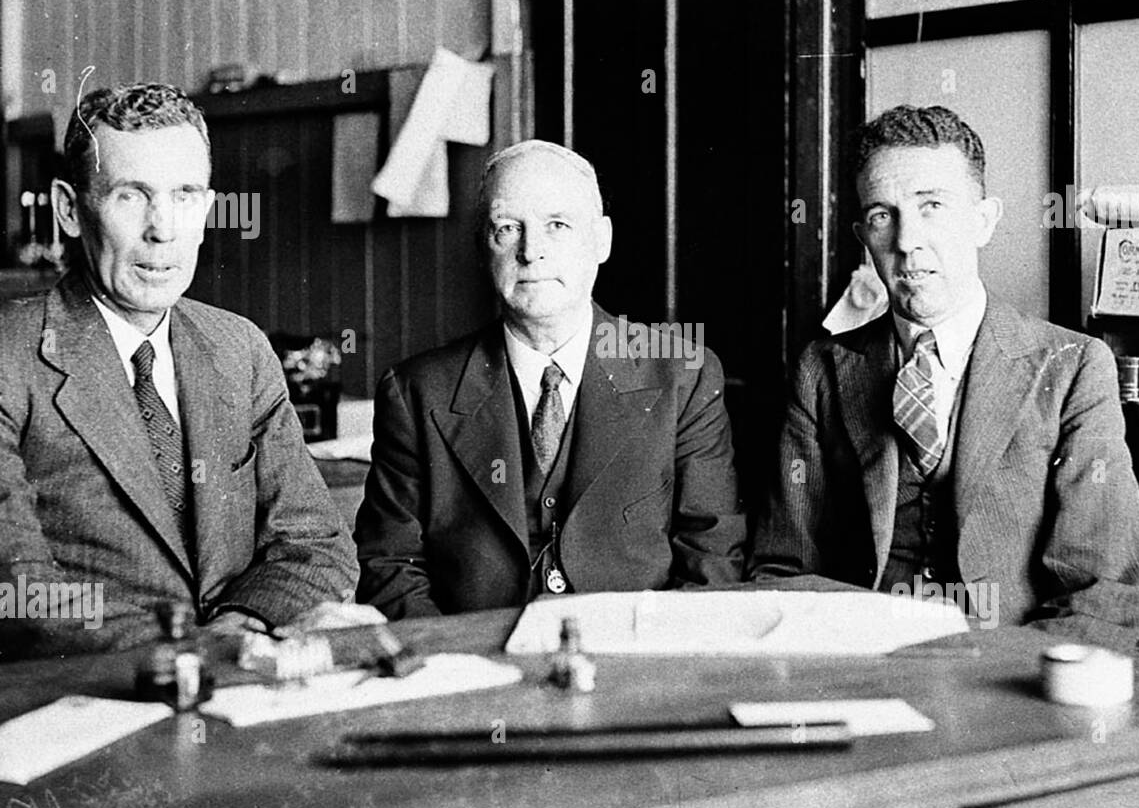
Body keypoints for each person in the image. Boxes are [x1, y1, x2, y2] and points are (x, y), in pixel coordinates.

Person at [750, 105, 1139, 651]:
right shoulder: (820, 370)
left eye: (931, 207)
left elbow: (1102, 595)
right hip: (863, 675)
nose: (908, 240)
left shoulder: (1073, 365)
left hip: (1008, 688)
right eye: (882, 215)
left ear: (983, 220)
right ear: (861, 235)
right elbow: (783, 571)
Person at [0, 83, 359, 659]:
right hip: (85, 701)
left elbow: (317, 544)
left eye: (185, 195)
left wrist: (242, 623)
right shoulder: (9, 356)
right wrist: (192, 650)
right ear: (70, 209)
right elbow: (19, 593)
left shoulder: (239, 348)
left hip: (242, 679)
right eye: (130, 196)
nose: (163, 229)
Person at [355, 140, 745, 616]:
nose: (531, 251)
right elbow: (391, 566)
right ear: (484, 245)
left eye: (556, 226)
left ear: (602, 241)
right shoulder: (416, 392)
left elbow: (710, 558)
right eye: (507, 228)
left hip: (632, 668)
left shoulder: (683, 376)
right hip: (473, 668)